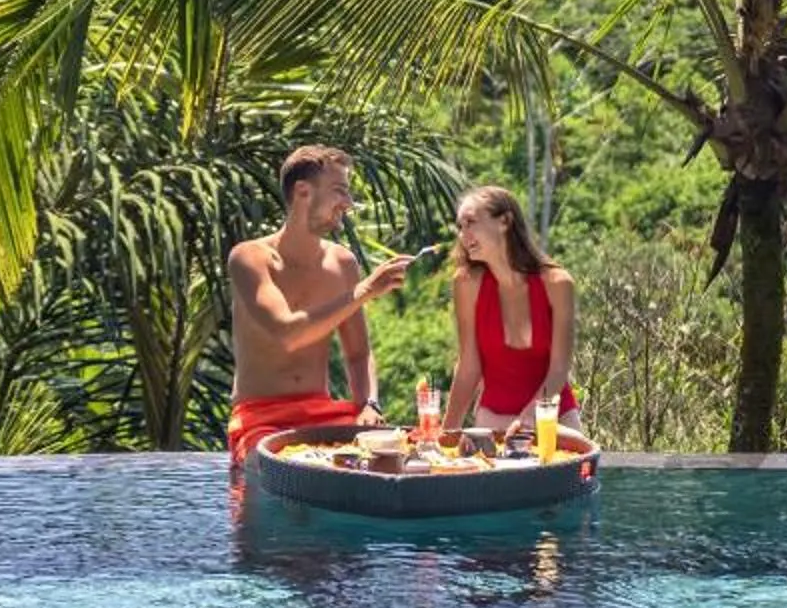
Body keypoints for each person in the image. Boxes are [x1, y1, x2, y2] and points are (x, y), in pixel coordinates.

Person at [225, 144, 415, 464]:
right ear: (303, 192)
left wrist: (369, 404)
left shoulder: (342, 264)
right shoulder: (249, 258)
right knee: (281, 467)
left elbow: (358, 354)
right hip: (260, 418)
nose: (348, 203)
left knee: (394, 456)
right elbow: (287, 333)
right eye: (340, 191)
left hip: (320, 413)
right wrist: (366, 289)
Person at [438, 183, 581, 441]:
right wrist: (446, 434)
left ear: (504, 221)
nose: (463, 234)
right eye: (460, 227)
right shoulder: (467, 283)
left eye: (471, 222)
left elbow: (559, 368)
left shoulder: (558, 284)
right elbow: (469, 365)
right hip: (493, 421)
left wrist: (530, 419)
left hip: (554, 419)